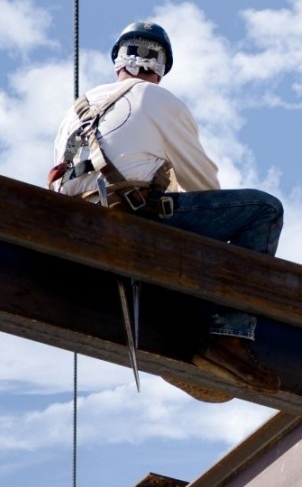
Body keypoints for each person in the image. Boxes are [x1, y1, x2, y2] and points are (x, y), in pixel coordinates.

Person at [49, 21, 283, 401]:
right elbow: (203, 184)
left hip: (74, 224)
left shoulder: (76, 111)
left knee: (172, 225)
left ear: (118, 62)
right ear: (161, 67)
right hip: (130, 218)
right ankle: (229, 339)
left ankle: (178, 333)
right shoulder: (158, 100)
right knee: (263, 211)